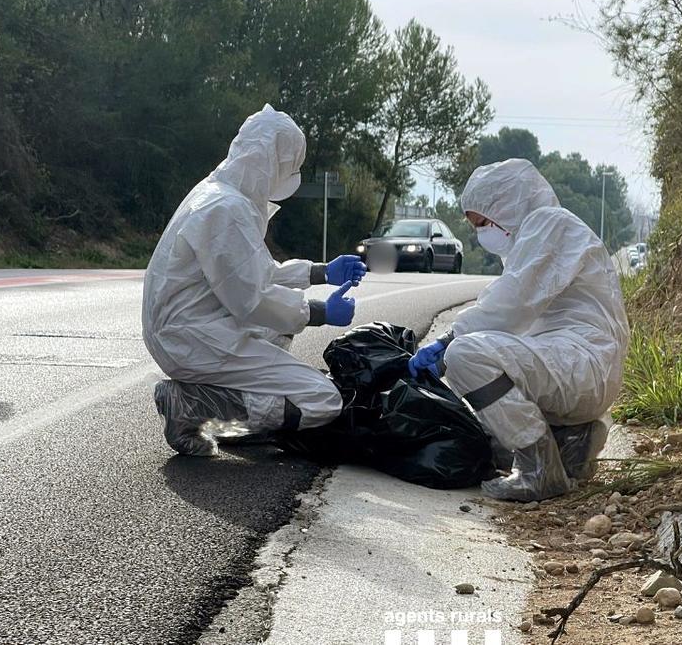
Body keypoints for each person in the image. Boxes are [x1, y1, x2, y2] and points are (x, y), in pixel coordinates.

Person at [143, 104, 366, 456]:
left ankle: (220, 405)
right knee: (322, 399)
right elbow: (255, 298)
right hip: (193, 337)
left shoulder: (219, 193)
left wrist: (321, 271)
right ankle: (193, 406)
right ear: (272, 162)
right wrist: (320, 312)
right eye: (290, 167)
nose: (290, 175)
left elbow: (252, 273)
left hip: (188, 328)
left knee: (278, 330)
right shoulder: (225, 209)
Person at [408, 159, 629, 501]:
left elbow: (511, 302)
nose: (482, 234)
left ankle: (539, 470)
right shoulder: (539, 236)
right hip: (579, 366)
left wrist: (449, 339)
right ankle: (573, 441)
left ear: (507, 206)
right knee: (490, 433)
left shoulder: (550, 224)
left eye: (483, 223)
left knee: (466, 356)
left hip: (583, 365)